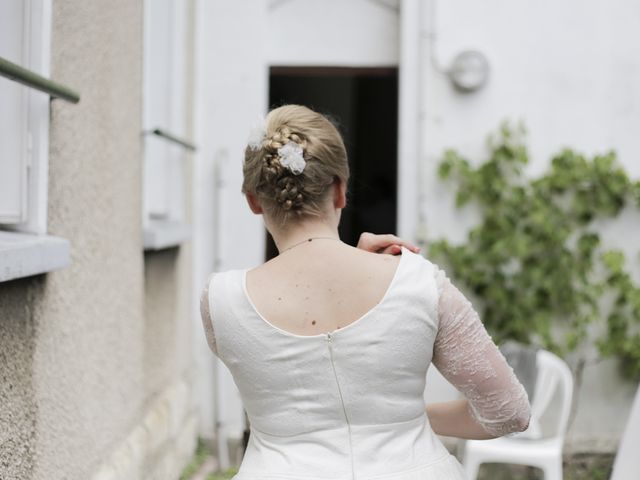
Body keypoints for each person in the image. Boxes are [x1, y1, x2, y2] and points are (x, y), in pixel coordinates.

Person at [200, 105, 531, 479]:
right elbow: (509, 412)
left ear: (254, 200)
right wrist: (399, 419)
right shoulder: (419, 283)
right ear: (340, 190)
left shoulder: (220, 300)